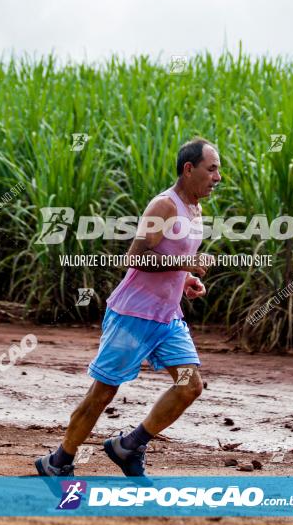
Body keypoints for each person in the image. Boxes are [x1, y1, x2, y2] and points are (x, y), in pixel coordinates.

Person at [35, 137, 220, 478]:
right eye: (212, 169)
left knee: (190, 385)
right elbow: (135, 257)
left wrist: (185, 281)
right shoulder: (164, 205)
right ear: (189, 169)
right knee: (104, 391)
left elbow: (170, 262)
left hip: (167, 317)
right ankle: (59, 460)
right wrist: (187, 263)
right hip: (133, 315)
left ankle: (129, 445)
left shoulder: (196, 210)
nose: (218, 177)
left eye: (218, 170)